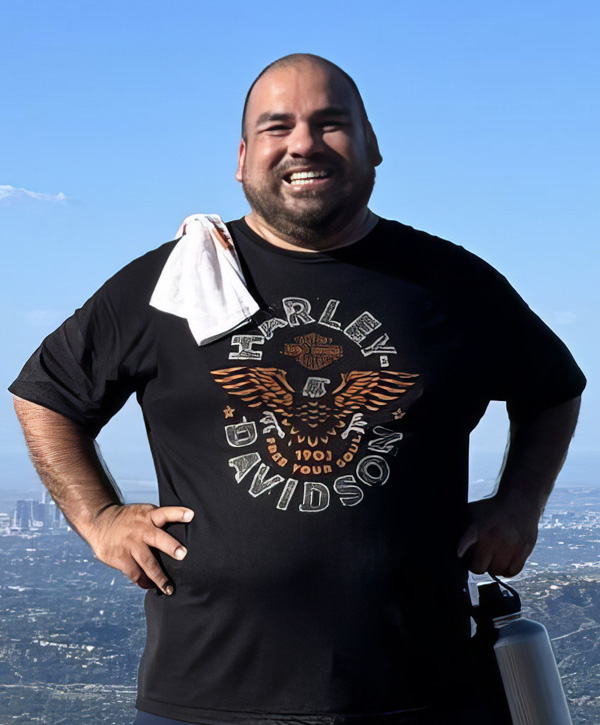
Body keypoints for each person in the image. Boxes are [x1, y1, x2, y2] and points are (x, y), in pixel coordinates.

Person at [10, 54, 585, 725]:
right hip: (202, 699)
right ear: (244, 156)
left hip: (420, 693)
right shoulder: (173, 285)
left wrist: (520, 505)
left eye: (330, 123)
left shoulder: (450, 284)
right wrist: (101, 520)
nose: (304, 143)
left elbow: (552, 388)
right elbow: (47, 393)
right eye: (276, 126)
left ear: (372, 146)